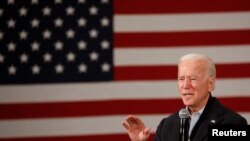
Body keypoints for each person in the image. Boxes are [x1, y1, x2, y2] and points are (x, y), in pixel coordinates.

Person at [121, 53, 247, 141]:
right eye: (181, 79)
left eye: (193, 79)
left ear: (210, 84)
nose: (185, 85)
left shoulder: (233, 123)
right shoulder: (167, 125)